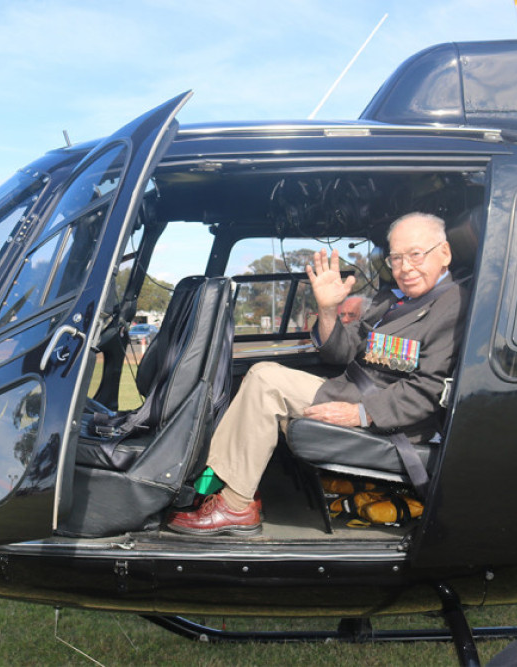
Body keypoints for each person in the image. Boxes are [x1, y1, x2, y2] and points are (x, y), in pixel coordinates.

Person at [167, 212, 468, 536]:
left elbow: (430, 389)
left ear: (445, 253)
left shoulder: (453, 306)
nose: (405, 267)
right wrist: (327, 310)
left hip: (393, 420)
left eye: (416, 254)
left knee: (265, 380)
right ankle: (215, 486)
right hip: (350, 390)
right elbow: (342, 351)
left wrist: (361, 413)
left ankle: (234, 504)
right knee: (258, 375)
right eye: (396, 258)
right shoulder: (391, 300)